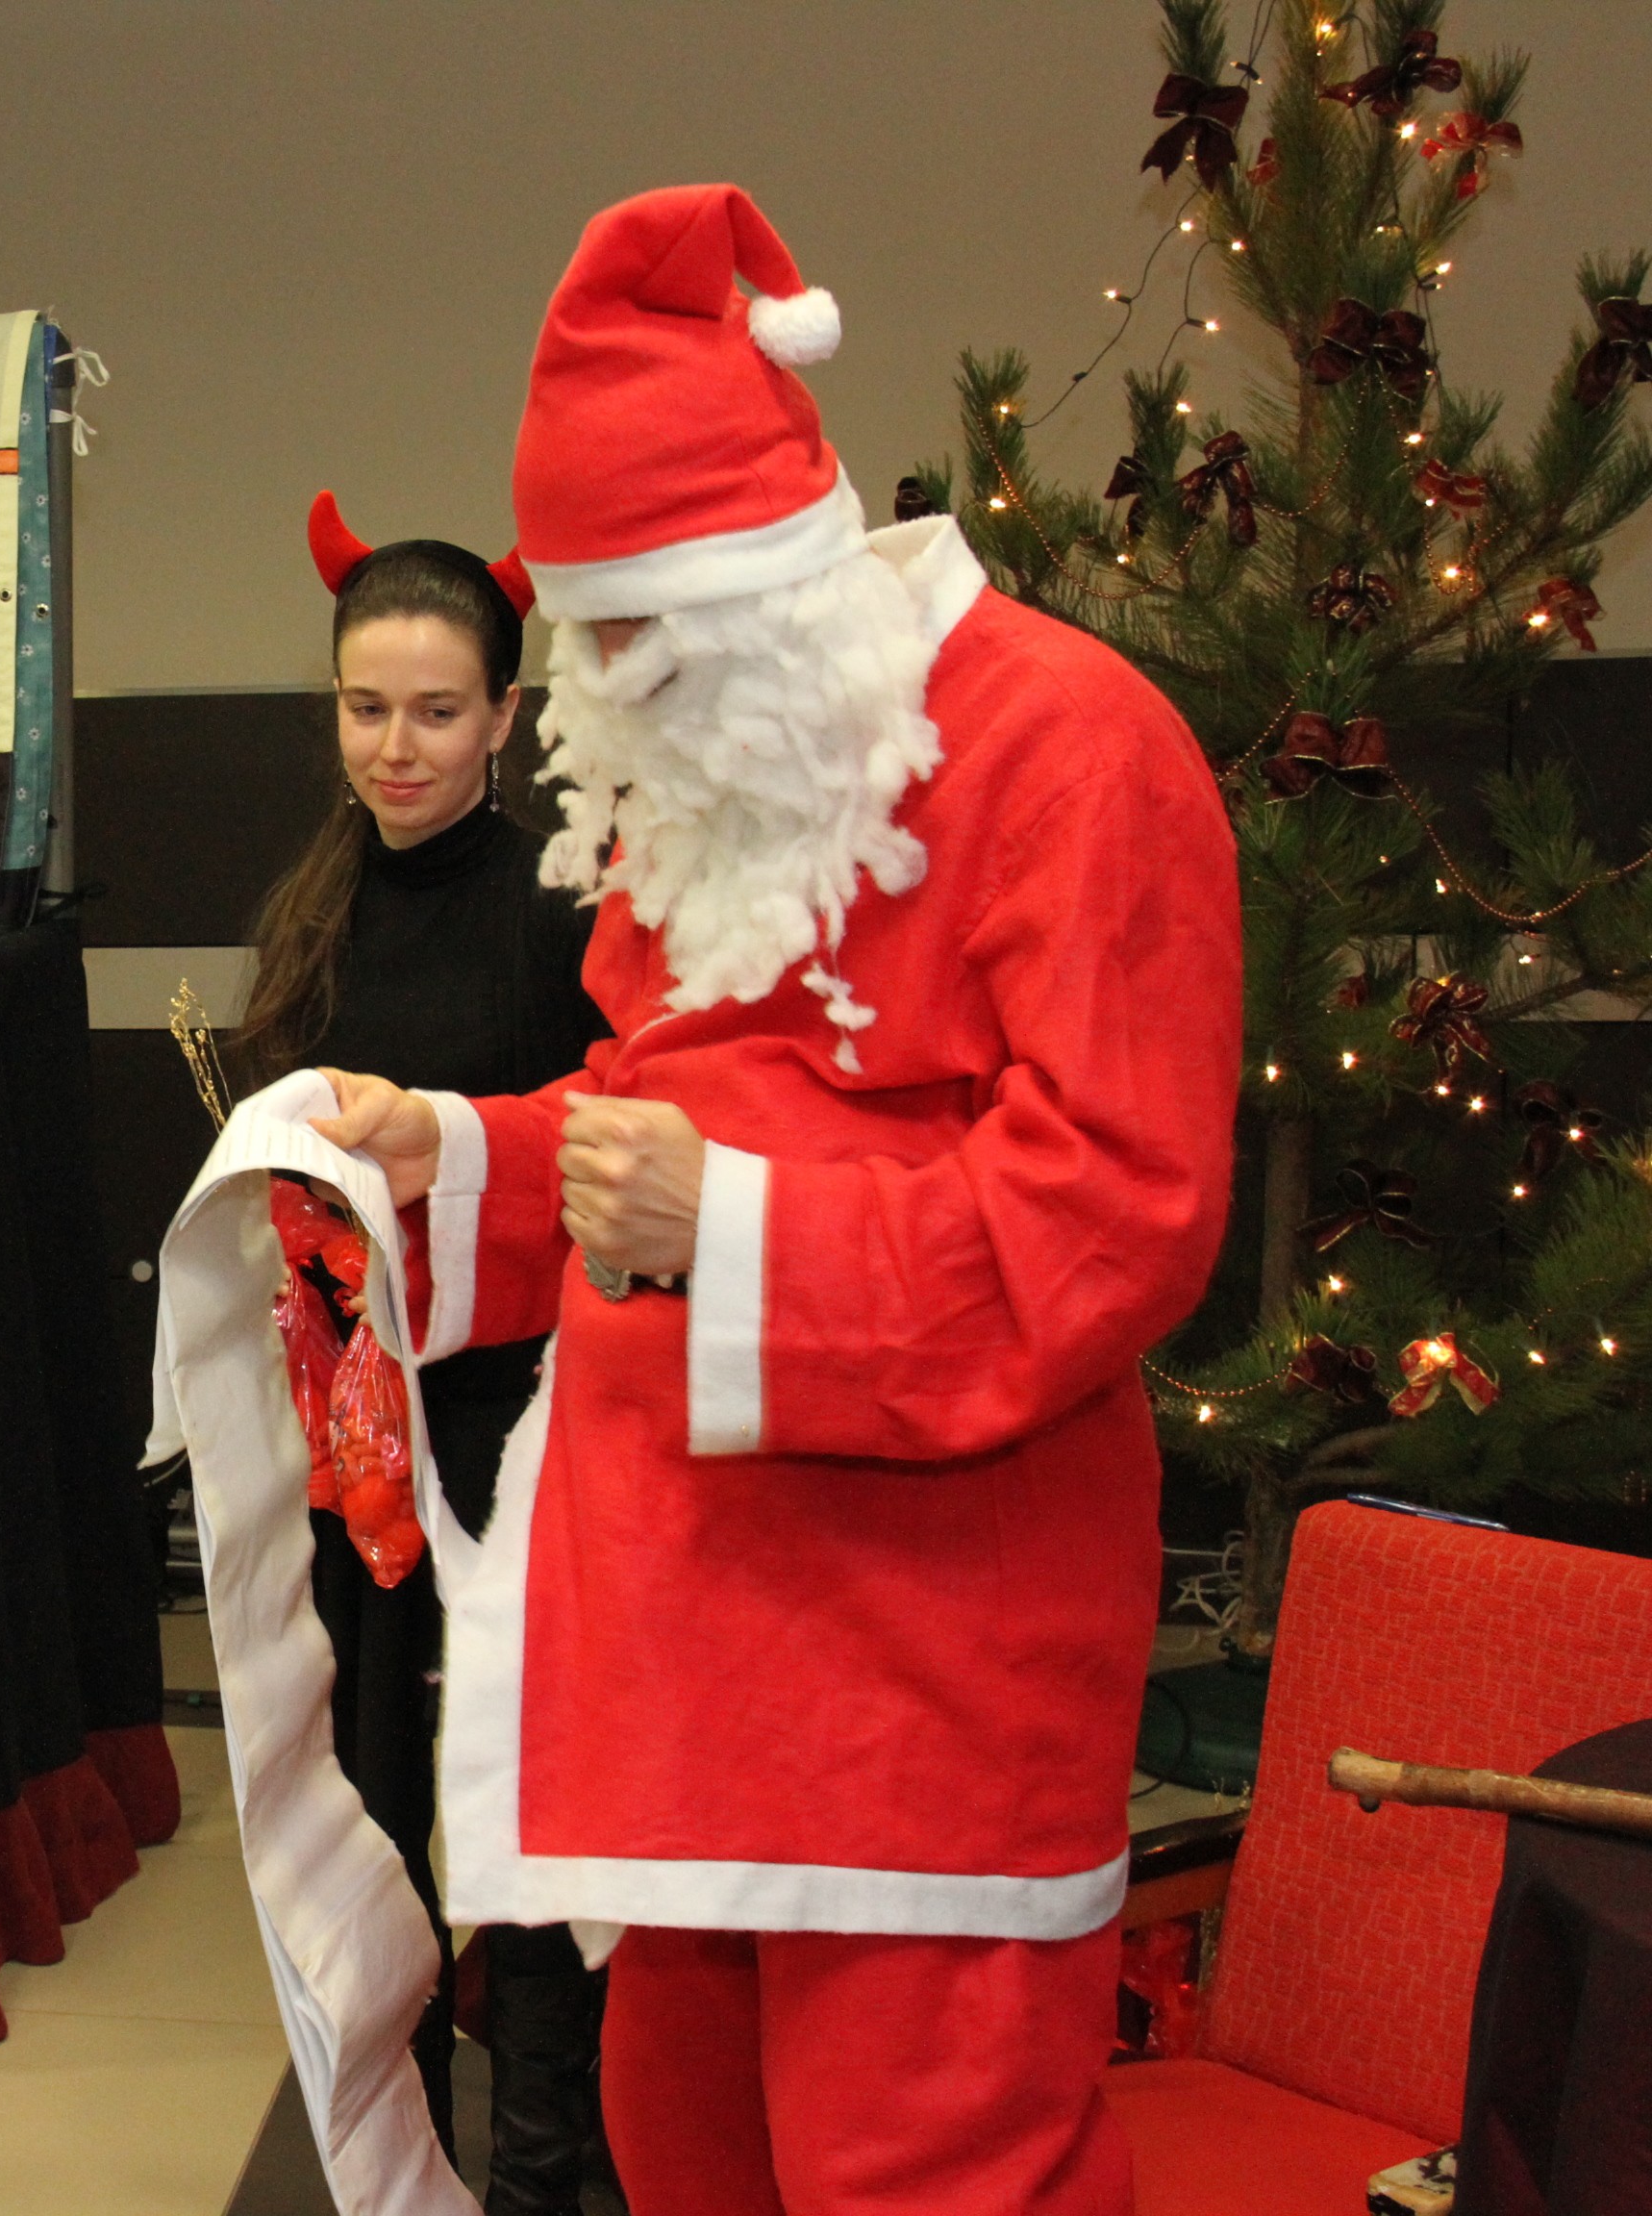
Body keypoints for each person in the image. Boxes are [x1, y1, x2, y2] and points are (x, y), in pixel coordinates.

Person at [313, 185, 1239, 2215]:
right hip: (690, 1643)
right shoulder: (726, 761)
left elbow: (1118, 1213)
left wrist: (732, 1229)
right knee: (684, 2144)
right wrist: (466, 1157)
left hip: (927, 1671)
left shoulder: (1075, 754)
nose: (612, 686)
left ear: (769, 586)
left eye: (645, 635)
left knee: (926, 2168)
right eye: (591, 639)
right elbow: (660, 1122)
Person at [233, 496, 612, 2213]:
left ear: (507, 714)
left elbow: (607, 1149)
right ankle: (398, 2164)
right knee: (372, 1801)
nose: (396, 748)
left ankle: (540, 2173)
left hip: (527, 1429)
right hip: (361, 1426)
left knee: (523, 1817)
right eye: (364, 707)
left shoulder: (562, 904)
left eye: (438, 711)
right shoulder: (313, 908)